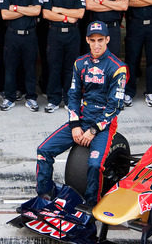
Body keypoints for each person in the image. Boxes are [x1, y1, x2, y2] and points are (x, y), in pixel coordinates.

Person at [34, 21, 127, 204]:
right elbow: (73, 95)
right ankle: (44, 195)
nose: (97, 44)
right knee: (43, 151)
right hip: (82, 118)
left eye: (101, 40)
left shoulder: (118, 68)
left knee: (95, 165)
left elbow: (115, 106)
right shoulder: (80, 63)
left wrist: (93, 130)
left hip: (103, 125)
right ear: (87, 40)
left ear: (108, 39)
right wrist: (75, 125)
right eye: (92, 40)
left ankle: (91, 205)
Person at [0, 0, 42, 111]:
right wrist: (26, 10)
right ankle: (9, 98)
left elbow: (37, 11)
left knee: (30, 67)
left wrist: (15, 8)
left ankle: (31, 97)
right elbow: (4, 14)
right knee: (10, 67)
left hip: (30, 35)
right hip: (12, 35)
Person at [42, 0, 86, 112]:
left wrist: (58, 9)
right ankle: (53, 100)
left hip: (73, 34)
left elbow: (80, 13)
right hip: (55, 33)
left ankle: (69, 100)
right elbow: (46, 13)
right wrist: (67, 17)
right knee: (54, 67)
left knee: (71, 68)